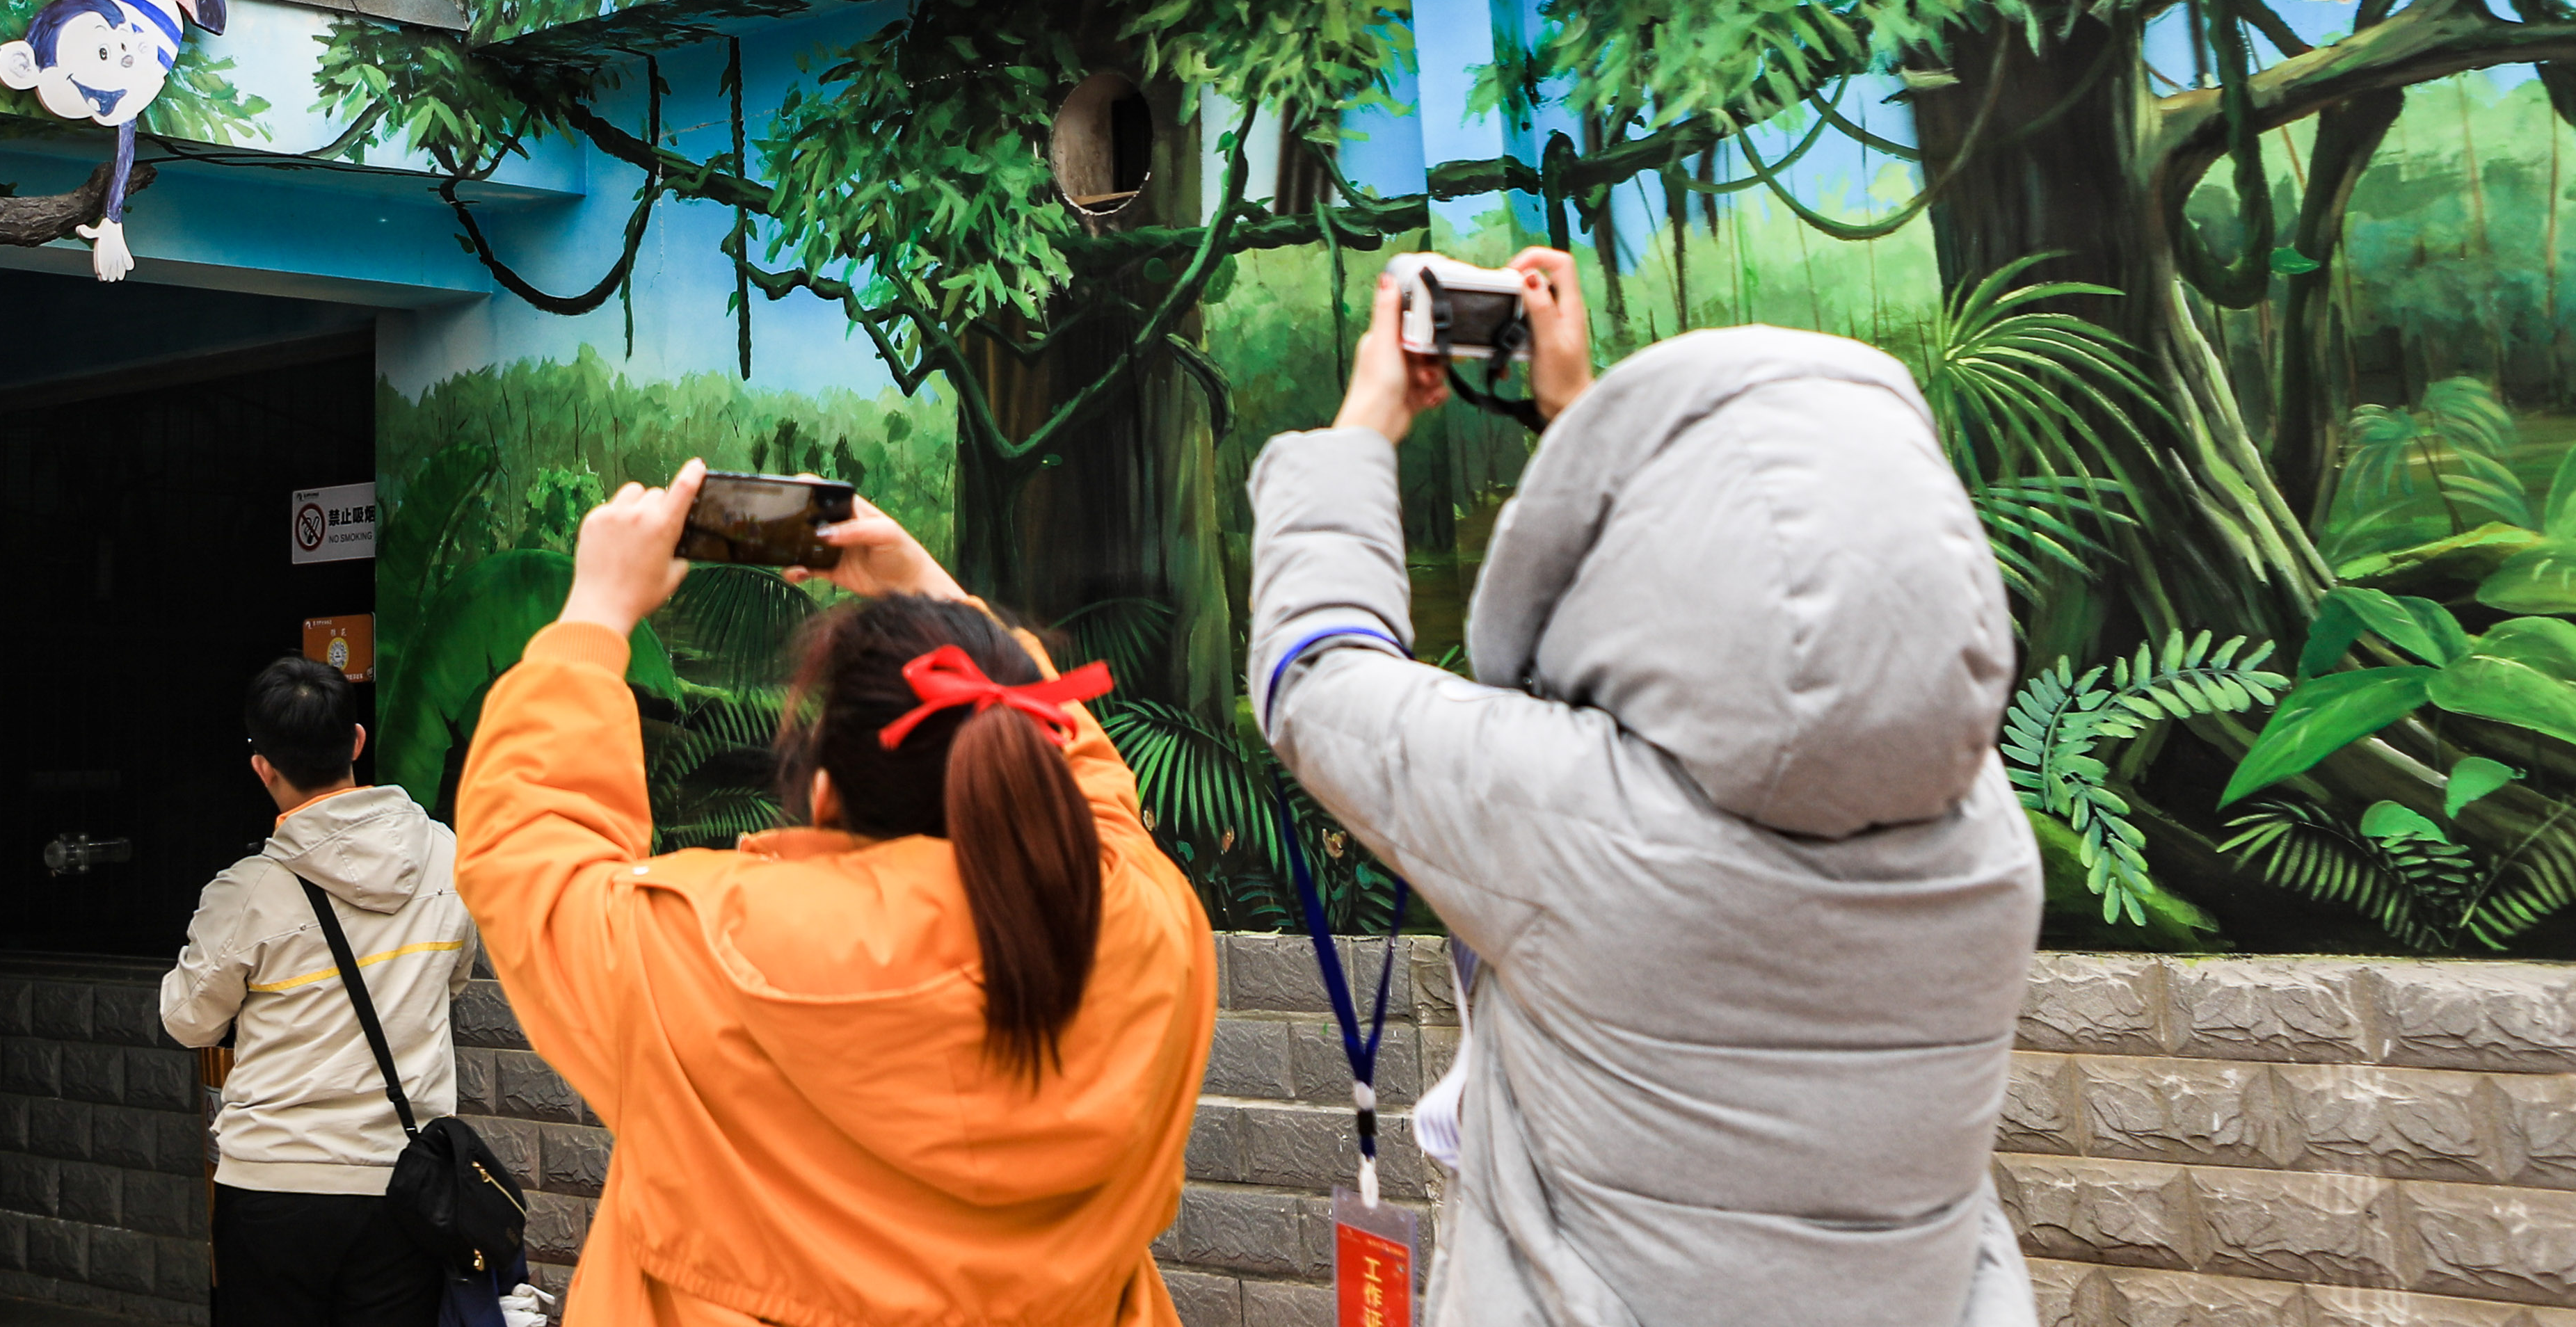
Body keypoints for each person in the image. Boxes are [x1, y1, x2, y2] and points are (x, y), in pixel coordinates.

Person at [1246, 246, 2041, 1326]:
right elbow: (1796, 633)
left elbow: (1317, 674)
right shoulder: (1989, 845)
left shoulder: (1573, 815)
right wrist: (1580, 416)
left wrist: (1363, 427)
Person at [458, 463, 1216, 1327]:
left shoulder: (698, 957)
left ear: (824, 797)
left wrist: (595, 611)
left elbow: (529, 852)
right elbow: (1091, 788)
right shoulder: (1144, 928)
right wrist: (928, 590)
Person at [159, 652, 479, 1327]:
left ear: (262, 767)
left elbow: (188, 1022)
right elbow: (453, 979)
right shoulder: (447, 858)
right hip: (404, 1185)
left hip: (273, 1186)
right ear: (357, 741)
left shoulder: (245, 892)